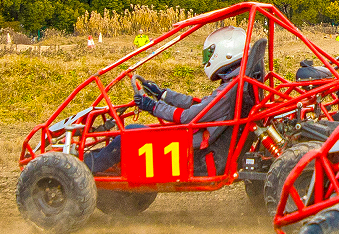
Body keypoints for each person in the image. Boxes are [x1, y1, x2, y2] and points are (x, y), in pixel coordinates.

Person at [84, 26, 261, 176]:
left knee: (129, 133)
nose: (206, 61)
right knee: (134, 134)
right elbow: (198, 105)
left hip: (200, 157)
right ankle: (95, 165)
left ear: (225, 53)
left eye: (209, 55)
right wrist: (163, 94)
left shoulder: (229, 90)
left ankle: (84, 167)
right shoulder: (236, 84)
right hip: (207, 149)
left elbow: (187, 117)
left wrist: (152, 106)